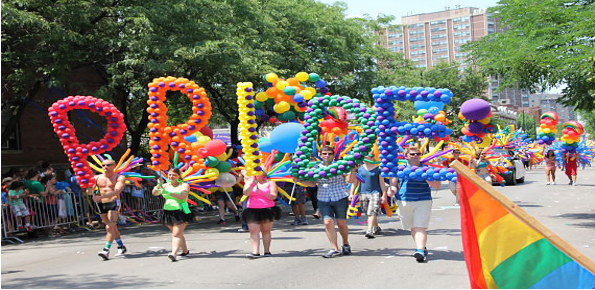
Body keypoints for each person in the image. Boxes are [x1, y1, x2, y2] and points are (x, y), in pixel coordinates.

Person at [295, 146, 352, 258]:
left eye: (329, 153)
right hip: (323, 198)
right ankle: (334, 248)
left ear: (333, 154)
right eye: (324, 153)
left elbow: (349, 180)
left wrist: (353, 170)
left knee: (341, 223)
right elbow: (312, 184)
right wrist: (300, 180)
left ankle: (345, 243)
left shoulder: (340, 165)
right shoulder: (316, 168)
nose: (327, 156)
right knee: (327, 223)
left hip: (340, 196)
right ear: (320, 155)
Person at [388, 145, 441, 262]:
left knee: (420, 227)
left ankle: (420, 251)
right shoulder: (400, 169)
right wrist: (391, 190)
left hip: (423, 200)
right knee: (412, 228)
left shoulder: (427, 168)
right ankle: (421, 247)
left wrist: (426, 177)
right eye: (412, 154)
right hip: (404, 201)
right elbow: (393, 184)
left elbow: (437, 185)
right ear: (406, 156)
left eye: (418, 154)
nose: (416, 156)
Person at [152, 168, 193, 262]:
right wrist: (158, 185)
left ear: (179, 176)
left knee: (176, 234)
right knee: (178, 233)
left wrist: (169, 193)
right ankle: (185, 250)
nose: (171, 177)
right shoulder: (165, 185)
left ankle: (173, 254)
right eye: (169, 175)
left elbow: (182, 196)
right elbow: (154, 193)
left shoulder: (184, 185)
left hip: (182, 210)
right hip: (168, 211)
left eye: (174, 175)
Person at [90, 158, 128, 260]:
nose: (105, 167)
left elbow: (117, 191)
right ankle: (121, 245)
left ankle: (106, 250)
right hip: (101, 204)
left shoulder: (120, 177)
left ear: (114, 165)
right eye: (103, 165)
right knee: (111, 226)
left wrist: (100, 197)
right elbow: (91, 190)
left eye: (108, 165)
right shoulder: (96, 178)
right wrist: (92, 194)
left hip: (114, 202)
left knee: (109, 226)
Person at [241, 171, 280, 259]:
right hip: (252, 209)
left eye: (258, 172)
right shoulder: (249, 181)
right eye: (254, 172)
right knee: (254, 231)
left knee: (266, 230)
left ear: (263, 173)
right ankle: (255, 252)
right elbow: (246, 193)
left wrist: (262, 193)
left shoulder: (270, 182)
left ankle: (267, 251)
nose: (256, 174)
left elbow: (274, 196)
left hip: (267, 209)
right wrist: (252, 185)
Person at [354, 153, 388, 239]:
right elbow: (355, 182)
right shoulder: (359, 169)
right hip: (363, 193)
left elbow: (381, 182)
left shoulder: (378, 169)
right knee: (368, 212)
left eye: (367, 156)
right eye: (364, 157)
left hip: (375, 192)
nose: (365, 158)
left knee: (371, 212)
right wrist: (352, 194)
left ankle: (369, 230)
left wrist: (384, 194)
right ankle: (376, 227)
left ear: (372, 158)